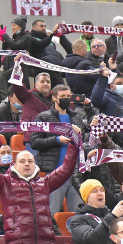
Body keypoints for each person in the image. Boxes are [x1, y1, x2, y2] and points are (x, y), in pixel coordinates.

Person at [30, 85, 84, 214]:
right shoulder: (43, 117)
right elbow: (34, 142)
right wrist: (57, 140)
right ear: (54, 98)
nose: (66, 99)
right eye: (62, 97)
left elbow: (84, 143)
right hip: (55, 172)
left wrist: (80, 135)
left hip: (75, 174)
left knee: (77, 214)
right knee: (51, 212)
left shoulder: (76, 117)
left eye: (68, 96)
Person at [69, 179, 123, 244]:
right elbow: (93, 239)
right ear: (86, 197)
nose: (100, 193)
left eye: (102, 190)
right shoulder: (77, 220)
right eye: (94, 191)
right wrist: (112, 217)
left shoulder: (110, 216)